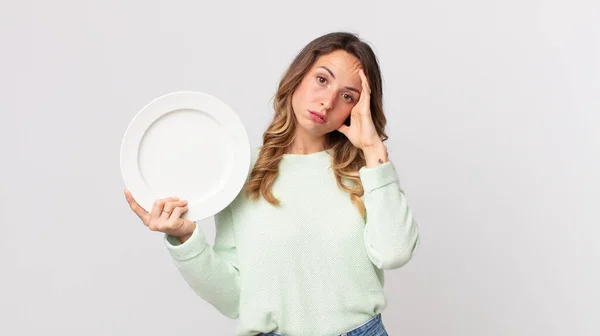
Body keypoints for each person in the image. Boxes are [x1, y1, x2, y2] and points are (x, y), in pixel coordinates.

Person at [125, 31, 420, 336]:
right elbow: (233, 299)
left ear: (358, 108)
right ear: (298, 76)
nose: (328, 101)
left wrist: (373, 150)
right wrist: (185, 238)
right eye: (322, 79)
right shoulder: (242, 171)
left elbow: (395, 253)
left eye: (347, 96)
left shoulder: (369, 172)